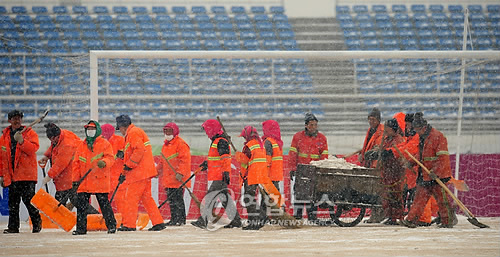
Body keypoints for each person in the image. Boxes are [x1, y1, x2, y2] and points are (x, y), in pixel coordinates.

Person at [401, 112, 457, 228]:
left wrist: (435, 171)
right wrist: (411, 162)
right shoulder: (423, 137)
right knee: (419, 199)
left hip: (438, 176)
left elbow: (443, 158)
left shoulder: (438, 137)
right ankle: (411, 220)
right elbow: (421, 155)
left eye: (418, 130)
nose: (417, 132)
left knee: (442, 200)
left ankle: (447, 221)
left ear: (424, 127)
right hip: (425, 175)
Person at [115, 115, 166, 232]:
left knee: (130, 199)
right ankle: (158, 222)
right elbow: (136, 151)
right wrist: (124, 167)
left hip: (138, 173)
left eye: (120, 129)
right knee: (147, 198)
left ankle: (129, 224)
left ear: (122, 127)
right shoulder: (135, 132)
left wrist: (129, 165)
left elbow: (139, 150)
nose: (120, 131)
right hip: (145, 172)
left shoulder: (133, 133)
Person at [191, 119, 242, 229]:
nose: (206, 132)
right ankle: (236, 220)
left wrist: (226, 172)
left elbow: (225, 158)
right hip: (219, 175)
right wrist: (207, 164)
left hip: (220, 175)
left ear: (212, 129)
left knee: (210, 197)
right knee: (225, 199)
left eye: (207, 129)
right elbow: (216, 159)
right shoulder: (216, 141)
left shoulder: (221, 141)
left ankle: (203, 220)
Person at [39, 123, 98, 214]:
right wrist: (47, 156)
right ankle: (59, 217)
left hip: (70, 175)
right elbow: (53, 146)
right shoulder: (60, 135)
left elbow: (60, 164)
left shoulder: (67, 144)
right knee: (64, 199)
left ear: (57, 135)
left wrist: (49, 176)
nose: (52, 141)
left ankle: (95, 216)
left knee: (71, 199)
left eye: (53, 139)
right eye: (50, 139)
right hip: (66, 176)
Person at [71, 120, 117, 235]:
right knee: (81, 206)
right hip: (84, 181)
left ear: (97, 131)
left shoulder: (104, 144)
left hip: (99, 179)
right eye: (88, 129)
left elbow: (111, 158)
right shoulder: (81, 146)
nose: (90, 131)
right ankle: (81, 229)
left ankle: (111, 226)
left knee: (104, 204)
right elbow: (76, 164)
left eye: (92, 129)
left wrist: (104, 162)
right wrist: (75, 180)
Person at [0, 110, 42, 233]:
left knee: (29, 202)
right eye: (14, 118)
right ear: (9, 121)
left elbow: (33, 149)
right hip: (12, 176)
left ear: (21, 120)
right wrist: (2, 175)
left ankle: (37, 224)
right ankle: (13, 227)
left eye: (18, 118)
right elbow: (2, 158)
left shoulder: (30, 133)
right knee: (13, 203)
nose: (16, 120)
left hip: (26, 175)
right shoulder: (4, 137)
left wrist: (22, 141)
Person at [288, 113, 328, 221]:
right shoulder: (297, 137)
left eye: (315, 125)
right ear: (306, 125)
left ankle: (312, 217)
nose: (313, 127)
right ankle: (297, 216)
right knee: (299, 195)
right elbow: (292, 155)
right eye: (311, 125)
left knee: (313, 195)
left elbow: (324, 156)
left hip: (314, 170)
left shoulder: (322, 138)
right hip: (301, 170)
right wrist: (292, 169)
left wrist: (322, 169)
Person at [236, 126, 272, 230]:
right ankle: (257, 220)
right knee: (252, 199)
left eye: (244, 136)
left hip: (252, 175)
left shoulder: (249, 145)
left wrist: (239, 156)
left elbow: (246, 161)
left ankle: (255, 222)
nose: (244, 138)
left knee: (249, 199)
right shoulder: (260, 144)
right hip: (260, 174)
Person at [156, 122, 191, 226]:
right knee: (172, 201)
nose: (167, 133)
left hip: (177, 178)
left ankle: (180, 219)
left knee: (178, 200)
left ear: (175, 132)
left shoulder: (181, 144)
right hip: (168, 179)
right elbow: (162, 162)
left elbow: (185, 160)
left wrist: (180, 172)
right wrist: (155, 172)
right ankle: (174, 218)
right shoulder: (165, 146)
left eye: (169, 131)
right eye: (165, 131)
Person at [360, 108, 385, 223]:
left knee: (377, 192)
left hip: (377, 166)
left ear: (378, 120)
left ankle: (378, 215)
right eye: (370, 119)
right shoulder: (371, 130)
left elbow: (377, 147)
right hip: (370, 165)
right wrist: (363, 153)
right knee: (373, 192)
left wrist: (371, 154)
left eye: (373, 119)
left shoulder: (381, 131)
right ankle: (375, 215)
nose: (371, 121)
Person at [378, 118, 406, 225]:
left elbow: (397, 153)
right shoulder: (386, 139)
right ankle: (390, 216)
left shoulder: (398, 139)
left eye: (387, 128)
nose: (385, 130)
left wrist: (387, 153)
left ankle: (398, 216)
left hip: (396, 171)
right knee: (387, 195)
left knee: (396, 194)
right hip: (387, 171)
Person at [260, 120, 284, 222]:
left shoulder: (268, 142)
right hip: (276, 174)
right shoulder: (277, 142)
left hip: (269, 175)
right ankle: (276, 217)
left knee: (266, 197)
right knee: (273, 197)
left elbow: (267, 160)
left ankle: (263, 218)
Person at [101, 123, 126, 214]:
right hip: (105, 179)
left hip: (118, 178)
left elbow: (128, 157)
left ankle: (125, 221)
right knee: (104, 203)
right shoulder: (100, 143)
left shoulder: (120, 140)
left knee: (121, 202)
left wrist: (123, 156)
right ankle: (104, 219)